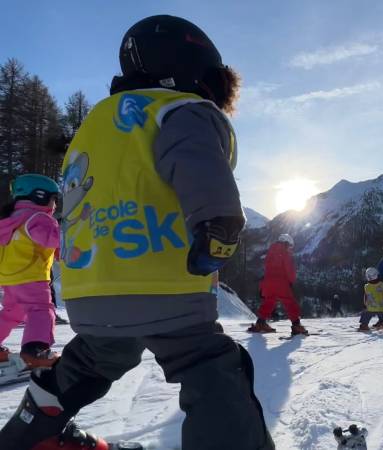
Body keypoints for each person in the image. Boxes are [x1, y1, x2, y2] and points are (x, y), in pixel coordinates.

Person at [0, 15, 274, 450]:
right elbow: (198, 165)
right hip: (163, 282)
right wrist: (217, 226)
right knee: (209, 364)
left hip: (90, 291)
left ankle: (28, 431)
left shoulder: (94, 127)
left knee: (94, 357)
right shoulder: (181, 110)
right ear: (192, 68)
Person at [0, 174, 61, 368]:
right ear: (40, 196)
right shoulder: (39, 218)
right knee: (40, 310)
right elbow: (51, 239)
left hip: (8, 278)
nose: (55, 205)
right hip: (31, 276)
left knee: (12, 312)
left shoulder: (8, 219)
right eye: (54, 199)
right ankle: (36, 351)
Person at [248, 233, 307, 335]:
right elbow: (289, 270)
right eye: (289, 246)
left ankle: (260, 323)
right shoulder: (285, 253)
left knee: (269, 302)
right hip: (280, 282)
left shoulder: (270, 252)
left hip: (267, 282)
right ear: (286, 243)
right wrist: (291, 282)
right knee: (289, 302)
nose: (290, 248)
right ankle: (296, 325)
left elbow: (267, 268)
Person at [358, 267, 383, 331]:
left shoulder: (366, 286)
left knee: (365, 315)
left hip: (370, 307)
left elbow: (365, 296)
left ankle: (364, 325)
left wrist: (365, 305)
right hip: (381, 307)